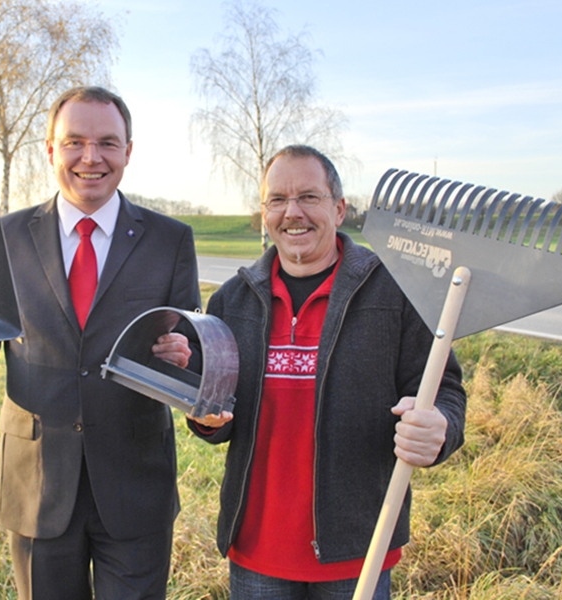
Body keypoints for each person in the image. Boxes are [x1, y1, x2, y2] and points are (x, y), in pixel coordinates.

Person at [0, 86, 201, 600]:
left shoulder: (170, 241)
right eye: (74, 141)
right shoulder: (4, 238)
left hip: (135, 483)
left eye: (107, 142)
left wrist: (186, 363)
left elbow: (189, 345)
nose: (91, 157)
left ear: (128, 151)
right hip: (35, 483)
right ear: (51, 150)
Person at [188, 145, 466, 599]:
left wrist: (442, 428)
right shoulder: (232, 301)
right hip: (257, 550)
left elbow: (445, 389)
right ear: (264, 214)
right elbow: (214, 414)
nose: (292, 212)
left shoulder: (395, 294)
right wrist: (205, 418)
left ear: (339, 208)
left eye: (309, 197)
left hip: (358, 549)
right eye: (277, 200)